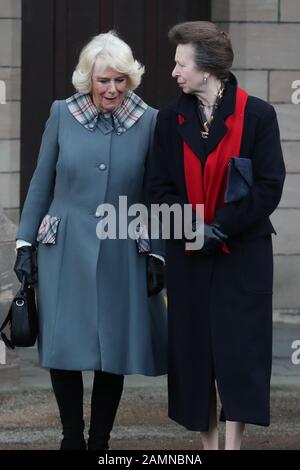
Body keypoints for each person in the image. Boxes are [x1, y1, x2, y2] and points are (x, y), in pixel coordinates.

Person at [14, 31, 167, 450]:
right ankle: (71, 438)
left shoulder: (149, 120)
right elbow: (41, 183)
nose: (112, 89)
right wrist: (24, 245)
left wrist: (157, 251)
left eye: (120, 80)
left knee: (111, 348)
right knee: (64, 343)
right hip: (62, 247)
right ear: (88, 80)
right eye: (104, 80)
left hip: (121, 245)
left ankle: (100, 441)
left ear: (130, 80)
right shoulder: (62, 113)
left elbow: (156, 192)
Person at [147, 21, 285, 450]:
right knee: (194, 355)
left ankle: (232, 445)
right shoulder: (170, 120)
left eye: (180, 63)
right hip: (189, 256)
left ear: (205, 68)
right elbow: (157, 189)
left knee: (239, 354)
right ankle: (207, 448)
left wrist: (219, 228)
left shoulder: (258, 114)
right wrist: (194, 229)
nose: (173, 71)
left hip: (243, 256)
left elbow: (268, 185)